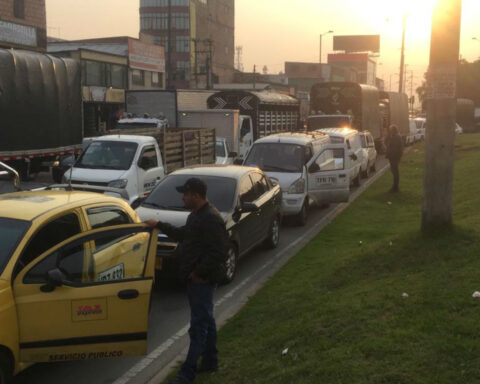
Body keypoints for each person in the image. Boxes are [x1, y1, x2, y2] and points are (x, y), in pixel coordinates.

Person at [145, 178, 228, 384]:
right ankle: (210, 361)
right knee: (206, 321)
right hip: (195, 279)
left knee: (198, 327)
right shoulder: (196, 216)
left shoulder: (211, 219)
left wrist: (198, 273)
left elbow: (219, 252)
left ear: (196, 196)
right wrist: (160, 225)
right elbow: (185, 235)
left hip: (202, 280)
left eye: (186, 194)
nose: (182, 197)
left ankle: (186, 375)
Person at [385, 125, 404, 192]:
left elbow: (395, 148)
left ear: (394, 130)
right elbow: (387, 143)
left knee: (395, 171)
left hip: (394, 157)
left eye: (391, 130)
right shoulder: (393, 136)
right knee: (393, 171)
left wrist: (394, 156)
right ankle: (395, 186)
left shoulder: (396, 137)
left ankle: (395, 187)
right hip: (393, 157)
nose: (390, 131)